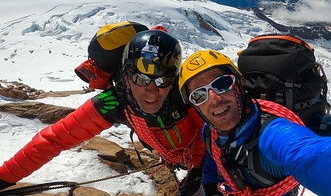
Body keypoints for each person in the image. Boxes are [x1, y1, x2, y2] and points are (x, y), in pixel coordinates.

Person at [178, 49, 331, 196]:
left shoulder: (273, 132)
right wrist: (209, 186)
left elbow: (314, 156)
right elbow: (214, 156)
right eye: (199, 95)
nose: (213, 98)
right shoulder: (210, 131)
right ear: (196, 106)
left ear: (238, 86)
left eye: (221, 84)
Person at [0, 29, 206, 195]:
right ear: (125, 78)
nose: (151, 91)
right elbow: (53, 140)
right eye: (140, 79)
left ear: (174, 80)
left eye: (163, 80)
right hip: (178, 157)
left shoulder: (186, 94)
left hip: (203, 157)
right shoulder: (113, 103)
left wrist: (198, 170)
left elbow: (211, 133)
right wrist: (3, 178)